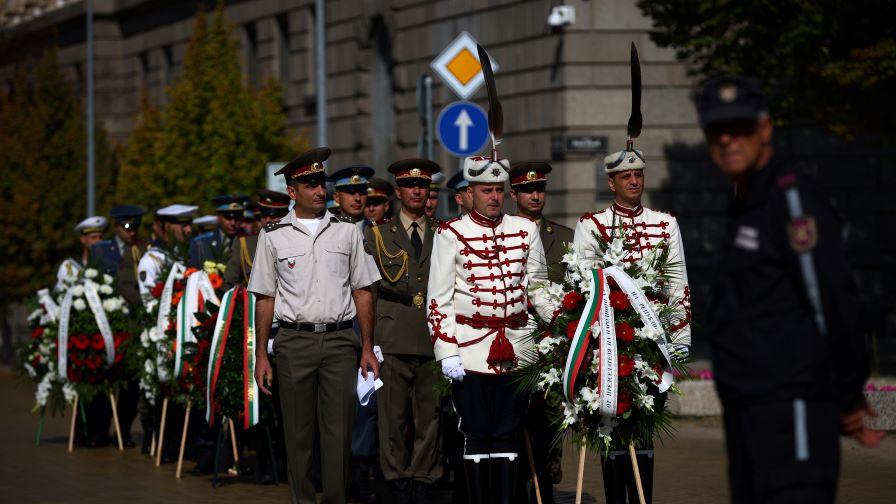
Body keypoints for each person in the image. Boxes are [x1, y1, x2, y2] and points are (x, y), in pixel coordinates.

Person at [696, 75, 883, 504]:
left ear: (765, 129)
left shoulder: (792, 200)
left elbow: (833, 300)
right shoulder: (746, 202)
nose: (727, 139)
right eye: (715, 130)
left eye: (739, 127)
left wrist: (849, 394)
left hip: (792, 409)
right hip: (749, 412)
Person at [249, 147, 381, 504]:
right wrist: (261, 355)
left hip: (340, 343)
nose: (319, 190)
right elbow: (265, 298)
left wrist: (366, 346)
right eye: (310, 184)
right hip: (294, 343)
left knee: (339, 437)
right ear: (293, 191)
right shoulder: (273, 236)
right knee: (298, 436)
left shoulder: (347, 232)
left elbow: (363, 291)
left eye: (321, 182)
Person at [427, 154, 555, 504]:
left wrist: (560, 320)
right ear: (471, 192)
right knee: (477, 432)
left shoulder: (525, 229)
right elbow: (438, 300)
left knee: (507, 432)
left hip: (517, 348)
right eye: (487, 190)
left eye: (499, 189)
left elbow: (538, 287)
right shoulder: (451, 234)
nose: (495, 197)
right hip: (470, 349)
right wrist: (447, 351)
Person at [364, 158, 443, 503]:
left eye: (422, 186)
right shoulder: (378, 235)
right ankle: (395, 480)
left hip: (434, 336)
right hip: (393, 338)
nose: (416, 191)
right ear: (398, 192)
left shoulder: (444, 232)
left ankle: (424, 480)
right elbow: (366, 289)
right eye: (410, 186)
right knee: (392, 418)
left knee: (431, 416)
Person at [508, 161, 572, 503]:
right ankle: (519, 484)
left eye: (540, 189)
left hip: (553, 342)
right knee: (515, 418)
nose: (535, 196)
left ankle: (546, 483)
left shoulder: (563, 238)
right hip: (515, 342)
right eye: (527, 191)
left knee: (549, 421)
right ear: (513, 195)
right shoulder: (503, 234)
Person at [90, 204, 147, 450]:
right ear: (116, 227)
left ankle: (123, 430)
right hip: (107, 325)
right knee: (103, 382)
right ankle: (99, 431)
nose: (131, 232)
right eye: (126, 227)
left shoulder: (143, 249)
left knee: (130, 384)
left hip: (132, 327)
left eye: (135, 227)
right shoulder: (102, 250)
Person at [223, 189, 291, 289]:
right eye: (264, 215)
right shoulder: (244, 243)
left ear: (286, 215)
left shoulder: (296, 240)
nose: (268, 220)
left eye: (274, 215)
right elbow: (230, 282)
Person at [137, 204, 197, 296]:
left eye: (190, 224)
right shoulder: (150, 261)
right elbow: (149, 303)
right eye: (184, 225)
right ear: (166, 226)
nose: (189, 230)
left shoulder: (185, 253)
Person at [188, 194, 247, 268]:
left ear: (242, 217)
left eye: (237, 218)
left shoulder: (252, 241)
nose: (233, 223)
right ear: (218, 217)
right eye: (228, 218)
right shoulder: (201, 244)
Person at [56, 216, 107, 292]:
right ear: (83, 240)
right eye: (93, 237)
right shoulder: (70, 266)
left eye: (100, 237)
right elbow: (61, 292)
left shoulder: (108, 263)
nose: (98, 241)